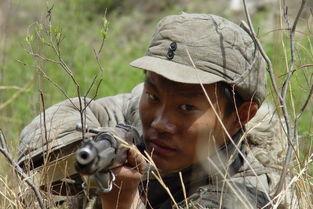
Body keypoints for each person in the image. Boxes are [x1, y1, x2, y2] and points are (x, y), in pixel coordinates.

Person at [18, 13, 293, 209]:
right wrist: (101, 147)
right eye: (153, 95)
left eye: (186, 107)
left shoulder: (251, 187)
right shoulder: (137, 111)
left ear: (241, 115)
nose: (160, 122)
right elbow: (46, 132)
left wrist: (123, 201)